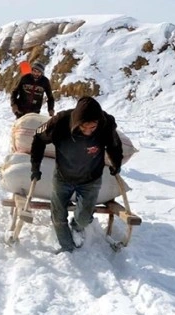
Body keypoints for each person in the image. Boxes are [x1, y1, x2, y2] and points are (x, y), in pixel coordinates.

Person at [30, 96, 123, 253]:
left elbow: (115, 145)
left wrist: (117, 163)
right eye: (83, 127)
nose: (88, 132)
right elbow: (38, 139)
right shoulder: (59, 122)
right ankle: (67, 247)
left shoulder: (106, 123)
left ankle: (77, 227)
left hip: (91, 178)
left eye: (92, 128)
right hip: (63, 176)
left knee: (84, 218)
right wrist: (35, 167)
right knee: (58, 216)